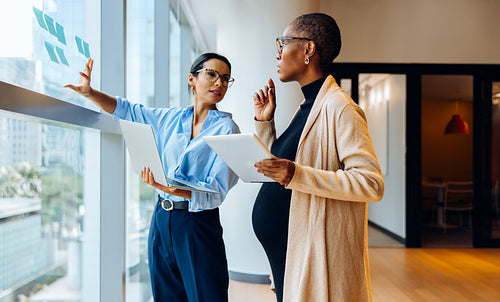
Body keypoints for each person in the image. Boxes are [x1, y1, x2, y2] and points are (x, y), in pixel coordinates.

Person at [65, 53, 240, 302]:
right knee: (166, 294)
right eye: (212, 74)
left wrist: (168, 186)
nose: (219, 83)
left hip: (198, 224)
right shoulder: (169, 118)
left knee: (206, 295)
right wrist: (90, 93)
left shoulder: (227, 129)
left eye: (225, 78)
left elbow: (216, 191)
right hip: (161, 219)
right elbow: (127, 110)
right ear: (192, 79)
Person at [251, 13, 384, 302]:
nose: (278, 53)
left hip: (313, 254)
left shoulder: (341, 108)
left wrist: (296, 174)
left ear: (308, 49)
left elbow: (370, 182)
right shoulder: (308, 107)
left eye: (283, 43)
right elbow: (278, 170)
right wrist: (264, 123)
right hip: (290, 249)